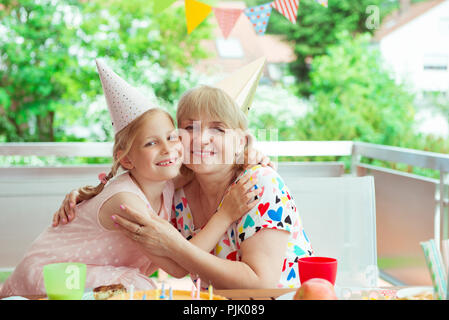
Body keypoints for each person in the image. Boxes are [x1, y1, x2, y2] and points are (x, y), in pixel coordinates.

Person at [0, 60, 258, 297]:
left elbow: (213, 160)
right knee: (138, 287)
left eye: (171, 137)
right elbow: (179, 266)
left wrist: (251, 154)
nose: (167, 150)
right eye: (150, 143)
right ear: (126, 160)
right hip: (51, 276)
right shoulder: (126, 202)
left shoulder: (168, 180)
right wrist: (225, 215)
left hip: (89, 275)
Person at [55, 57, 313, 289]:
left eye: (218, 129)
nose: (201, 140)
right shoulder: (176, 194)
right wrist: (87, 194)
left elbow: (260, 284)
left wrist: (175, 244)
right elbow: (133, 185)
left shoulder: (258, 183)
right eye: (190, 127)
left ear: (242, 141)